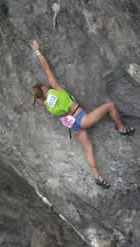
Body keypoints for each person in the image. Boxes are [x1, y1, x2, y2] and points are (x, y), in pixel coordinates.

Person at [31, 40, 134, 189]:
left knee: (88, 149)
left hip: (74, 126)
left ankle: (98, 177)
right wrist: (37, 51)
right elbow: (46, 68)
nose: (44, 84)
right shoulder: (56, 88)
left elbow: (44, 99)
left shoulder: (47, 105)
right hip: (81, 118)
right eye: (43, 86)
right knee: (110, 106)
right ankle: (121, 128)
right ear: (44, 89)